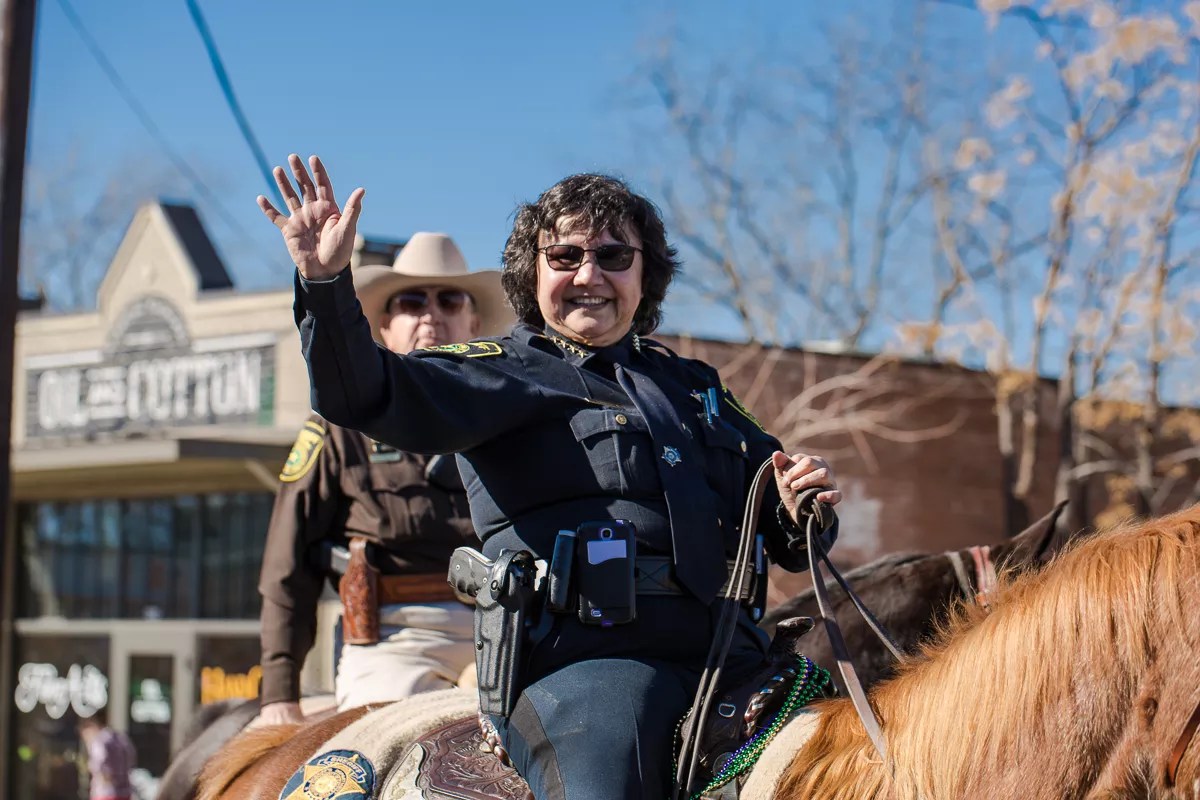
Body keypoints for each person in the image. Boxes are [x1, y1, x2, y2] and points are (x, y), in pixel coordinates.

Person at [258, 154, 841, 799]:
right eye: (564, 257)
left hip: (735, 660)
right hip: (588, 670)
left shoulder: (697, 388)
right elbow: (363, 394)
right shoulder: (496, 369)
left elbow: (786, 526)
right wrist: (324, 283)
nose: (589, 274)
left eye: (615, 256)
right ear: (531, 275)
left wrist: (798, 505)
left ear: (645, 276)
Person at [257, 231, 512, 724]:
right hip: (394, 643)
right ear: (384, 326)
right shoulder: (338, 426)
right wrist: (278, 692)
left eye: (449, 299)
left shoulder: (511, 422)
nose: (430, 314)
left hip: (505, 632)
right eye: (411, 301)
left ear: (474, 321)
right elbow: (287, 564)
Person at [77, 709, 136, 800]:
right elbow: (131, 758)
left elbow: (99, 764)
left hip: (106, 793)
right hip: (125, 792)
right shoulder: (121, 738)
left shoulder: (99, 741)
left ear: (92, 726)